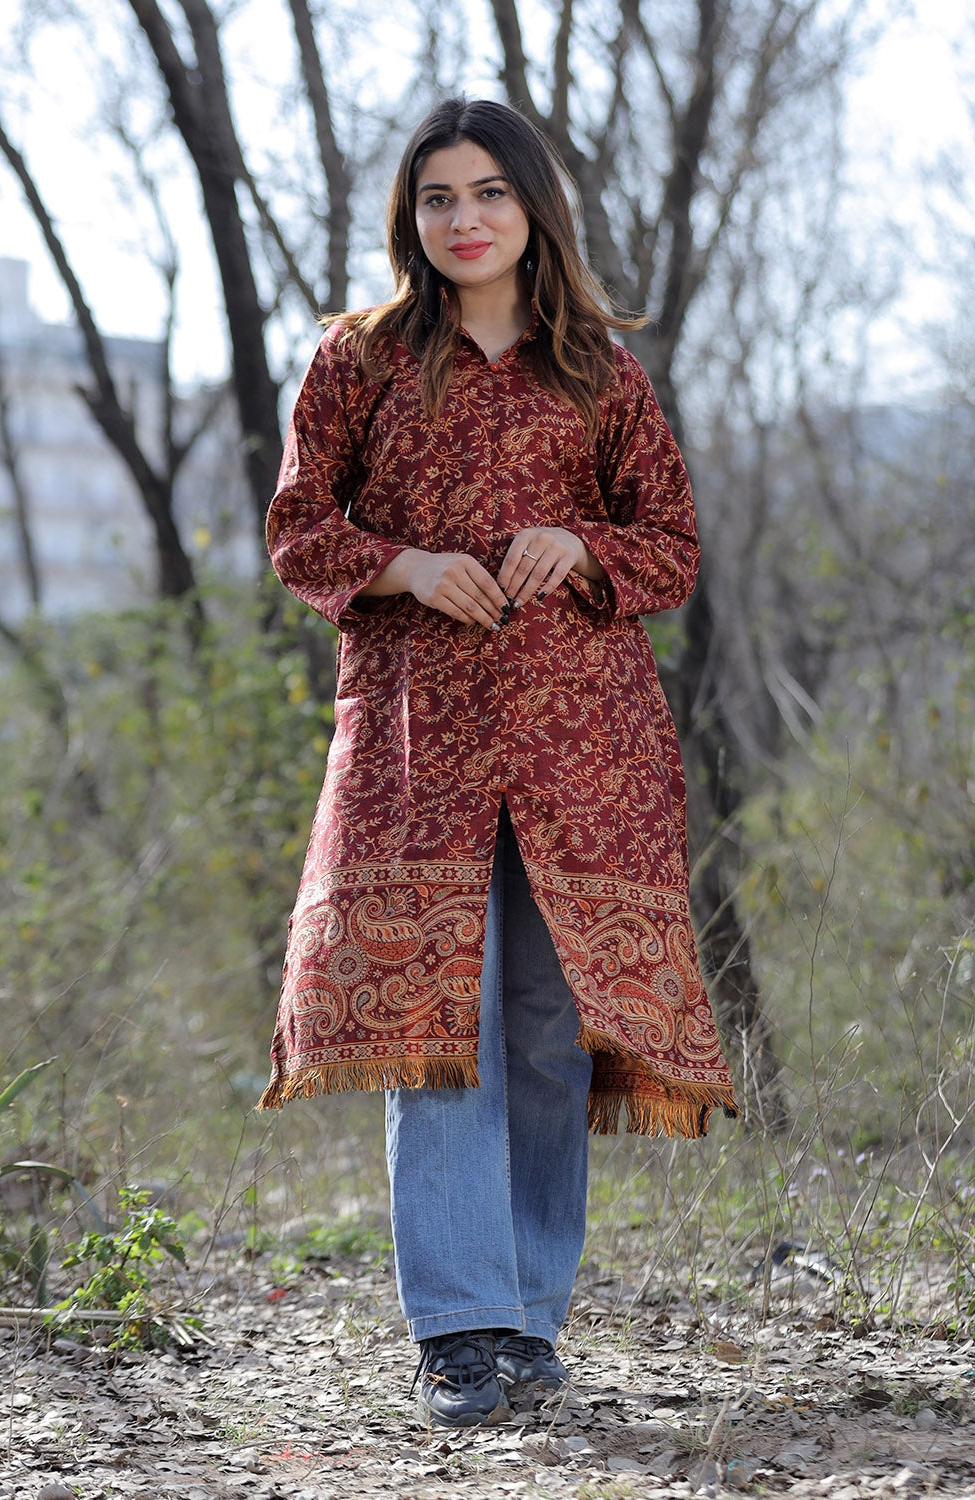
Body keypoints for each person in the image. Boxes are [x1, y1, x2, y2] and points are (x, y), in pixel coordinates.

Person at [258, 95, 737, 1428]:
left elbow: (675, 548)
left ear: (534, 209)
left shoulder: (601, 372)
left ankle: (529, 1320)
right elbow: (300, 530)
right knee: (437, 1031)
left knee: (538, 1030)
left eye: (487, 194)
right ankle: (458, 1333)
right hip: (419, 745)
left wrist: (583, 547)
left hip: (586, 747)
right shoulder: (357, 361)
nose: (462, 219)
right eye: (435, 198)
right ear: (410, 220)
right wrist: (402, 563)